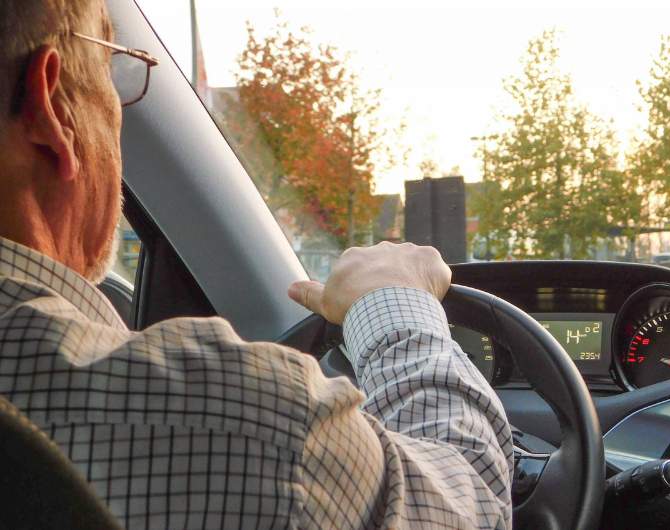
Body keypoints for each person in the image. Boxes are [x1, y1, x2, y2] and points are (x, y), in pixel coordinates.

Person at [0, 1, 513, 529]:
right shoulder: (243, 424)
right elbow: (471, 498)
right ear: (54, 115)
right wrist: (394, 306)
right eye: (113, 73)